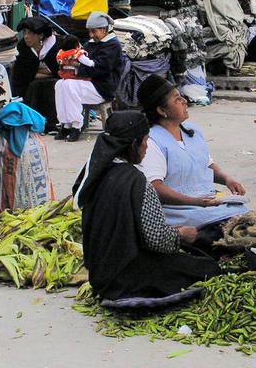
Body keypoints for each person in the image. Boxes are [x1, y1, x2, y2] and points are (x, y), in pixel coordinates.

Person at [73, 111, 220, 300]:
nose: (147, 146)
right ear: (134, 144)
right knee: (206, 267)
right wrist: (181, 235)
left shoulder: (96, 173)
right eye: (145, 141)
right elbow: (158, 241)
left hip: (99, 273)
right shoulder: (137, 182)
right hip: (126, 278)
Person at [137, 74, 248, 247]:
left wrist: (227, 179)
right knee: (227, 227)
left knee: (242, 211)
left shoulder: (192, 131)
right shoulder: (152, 141)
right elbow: (156, 188)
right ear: (161, 110)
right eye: (177, 99)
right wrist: (195, 202)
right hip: (179, 210)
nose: (184, 101)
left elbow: (207, 164)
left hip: (205, 202)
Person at [54, 12, 123, 142]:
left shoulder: (113, 45)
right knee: (60, 84)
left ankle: (76, 125)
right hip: (88, 82)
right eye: (90, 32)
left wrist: (77, 66)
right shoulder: (91, 43)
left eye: (94, 31)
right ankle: (65, 123)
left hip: (102, 87)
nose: (91, 35)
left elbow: (99, 69)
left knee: (69, 85)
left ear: (104, 29)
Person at [11, 16, 64, 132]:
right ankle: (34, 122)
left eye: (30, 33)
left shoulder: (57, 46)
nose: (26, 36)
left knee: (54, 85)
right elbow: (23, 74)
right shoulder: (23, 48)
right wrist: (46, 73)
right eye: (25, 33)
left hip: (56, 81)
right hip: (29, 85)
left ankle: (55, 122)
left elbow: (59, 70)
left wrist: (40, 72)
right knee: (35, 86)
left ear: (40, 35)